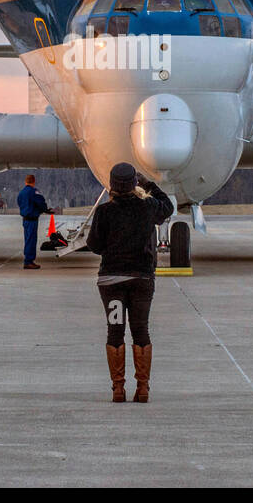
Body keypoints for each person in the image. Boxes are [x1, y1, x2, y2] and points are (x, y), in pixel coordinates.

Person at [85, 162, 174, 403]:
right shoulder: (147, 207)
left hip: (111, 281)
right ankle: (143, 388)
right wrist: (148, 184)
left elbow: (93, 245)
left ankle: (117, 388)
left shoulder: (104, 212)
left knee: (115, 331)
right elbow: (168, 207)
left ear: (112, 185)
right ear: (134, 183)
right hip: (141, 279)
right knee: (140, 330)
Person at [16, 175, 51, 270]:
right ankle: (29, 261)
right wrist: (45, 210)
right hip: (32, 220)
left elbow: (19, 203)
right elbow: (40, 201)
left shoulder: (21, 193)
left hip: (25, 219)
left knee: (27, 239)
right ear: (33, 181)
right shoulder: (33, 192)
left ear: (25, 182)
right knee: (31, 240)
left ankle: (28, 260)